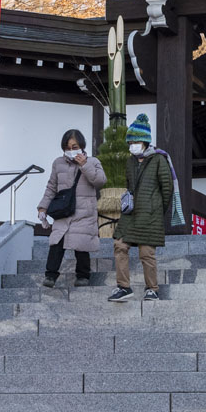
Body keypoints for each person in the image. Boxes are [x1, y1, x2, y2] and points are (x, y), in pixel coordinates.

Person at [109, 113, 173, 302]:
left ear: (145, 141)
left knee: (146, 252)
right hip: (131, 214)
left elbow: (166, 188)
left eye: (135, 141)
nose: (132, 145)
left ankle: (152, 288)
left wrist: (157, 209)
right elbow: (129, 185)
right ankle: (123, 286)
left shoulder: (159, 159)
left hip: (150, 214)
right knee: (119, 244)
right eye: (130, 142)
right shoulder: (129, 162)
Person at [37, 129, 106, 288]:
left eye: (74, 147)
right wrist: (42, 208)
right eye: (67, 148)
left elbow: (100, 181)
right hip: (63, 211)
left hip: (84, 212)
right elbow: (51, 187)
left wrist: (84, 165)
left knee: (81, 244)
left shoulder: (93, 161)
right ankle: (50, 275)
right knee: (57, 243)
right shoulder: (58, 163)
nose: (70, 151)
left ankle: (83, 276)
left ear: (81, 146)